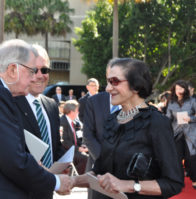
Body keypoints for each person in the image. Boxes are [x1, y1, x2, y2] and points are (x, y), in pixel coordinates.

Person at [0, 39, 73, 199]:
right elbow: (14, 161)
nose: (34, 78)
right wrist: (56, 182)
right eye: (32, 71)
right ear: (13, 69)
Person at [73, 58, 184, 199]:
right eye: (107, 82)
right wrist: (73, 181)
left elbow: (173, 183)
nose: (107, 88)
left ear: (136, 86)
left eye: (114, 81)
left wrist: (127, 185)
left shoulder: (156, 123)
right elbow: (99, 170)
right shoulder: (112, 120)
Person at [14, 44, 66, 198]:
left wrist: (65, 162)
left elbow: (55, 145)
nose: (39, 75)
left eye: (44, 70)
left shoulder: (51, 105)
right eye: (33, 70)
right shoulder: (10, 103)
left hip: (47, 191)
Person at [83, 58, 121, 199]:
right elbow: (88, 134)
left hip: (124, 172)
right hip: (97, 168)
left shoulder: (133, 102)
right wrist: (105, 161)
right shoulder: (94, 101)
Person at [166, 80, 196, 188]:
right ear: (174, 90)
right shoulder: (171, 102)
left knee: (191, 158)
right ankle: (179, 181)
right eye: (177, 88)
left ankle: (194, 179)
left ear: (185, 89)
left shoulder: (192, 101)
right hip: (176, 133)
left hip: (190, 133)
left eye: (181, 88)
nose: (179, 91)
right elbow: (168, 118)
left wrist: (191, 118)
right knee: (176, 158)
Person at [60, 100, 88, 175]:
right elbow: (64, 141)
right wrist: (78, 148)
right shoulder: (62, 121)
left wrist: (82, 145)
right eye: (77, 111)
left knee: (90, 154)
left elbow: (78, 137)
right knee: (84, 158)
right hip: (65, 151)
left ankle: (77, 176)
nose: (78, 112)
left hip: (73, 149)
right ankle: (76, 178)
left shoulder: (75, 122)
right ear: (71, 112)